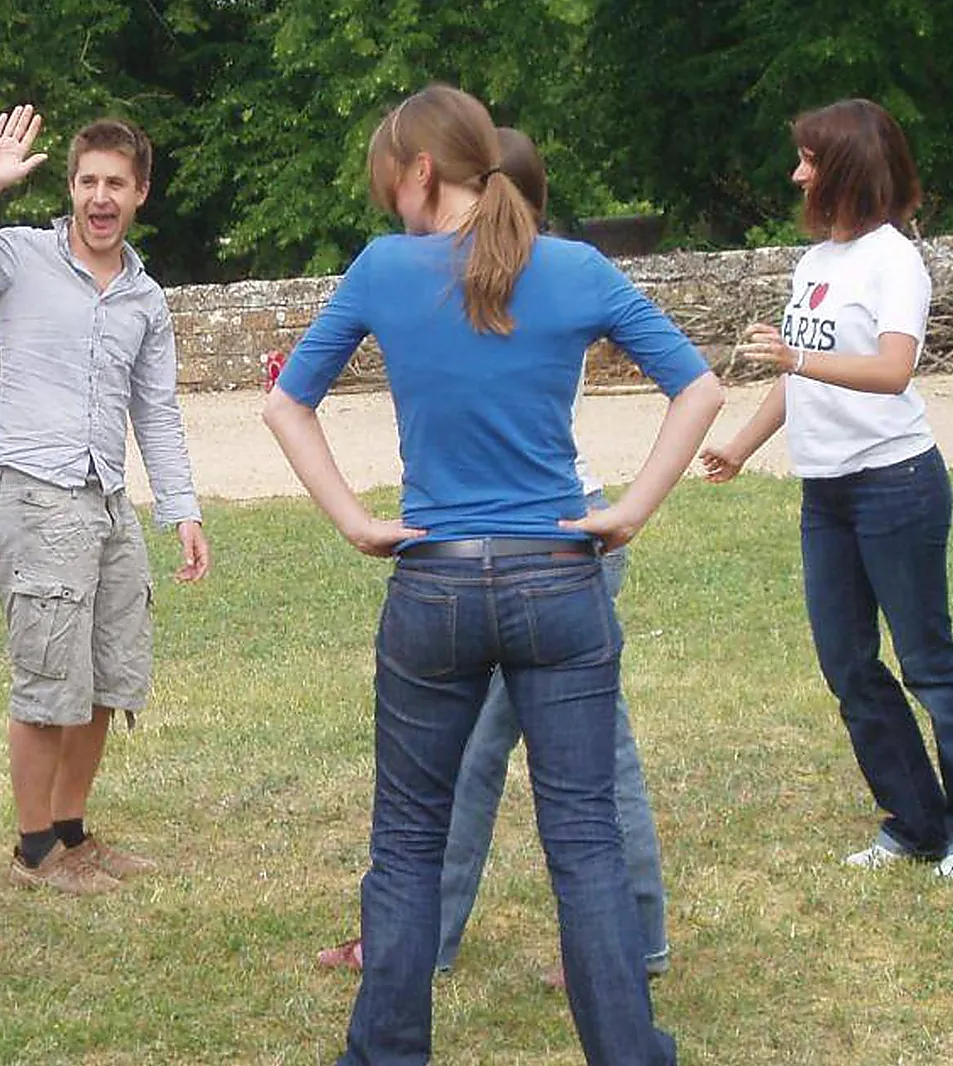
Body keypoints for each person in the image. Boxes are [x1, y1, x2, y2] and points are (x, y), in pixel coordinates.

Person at [263, 84, 723, 1066]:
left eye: (390, 178)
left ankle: (385, 1053)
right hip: (558, 578)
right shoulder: (573, 267)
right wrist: (630, 508)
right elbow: (700, 384)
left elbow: (285, 406)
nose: (388, 198)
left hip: (432, 585)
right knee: (585, 841)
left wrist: (354, 520)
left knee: (406, 842)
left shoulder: (385, 270)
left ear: (421, 170)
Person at [315, 127, 670, 983]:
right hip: (559, 542)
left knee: (513, 767)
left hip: (533, 543)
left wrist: (628, 512)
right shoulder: (551, 272)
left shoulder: (512, 272)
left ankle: (434, 941)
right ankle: (629, 939)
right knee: (584, 767)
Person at [0, 109, 211, 894]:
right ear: (70, 187)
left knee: (108, 675)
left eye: (116, 184)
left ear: (141, 192)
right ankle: (34, 848)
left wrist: (182, 510)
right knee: (46, 679)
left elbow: (157, 411)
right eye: (87, 181)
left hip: (107, 500)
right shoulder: (19, 258)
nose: (100, 198)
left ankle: (71, 832)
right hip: (36, 496)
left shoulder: (144, 296)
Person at [700, 98, 953, 881]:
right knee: (847, 664)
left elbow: (892, 369)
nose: (796, 172)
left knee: (928, 659)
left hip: (897, 484)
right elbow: (795, 374)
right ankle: (917, 822)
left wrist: (795, 363)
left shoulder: (892, 259)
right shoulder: (816, 264)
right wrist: (740, 445)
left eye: (808, 158)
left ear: (844, 168)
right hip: (827, 493)